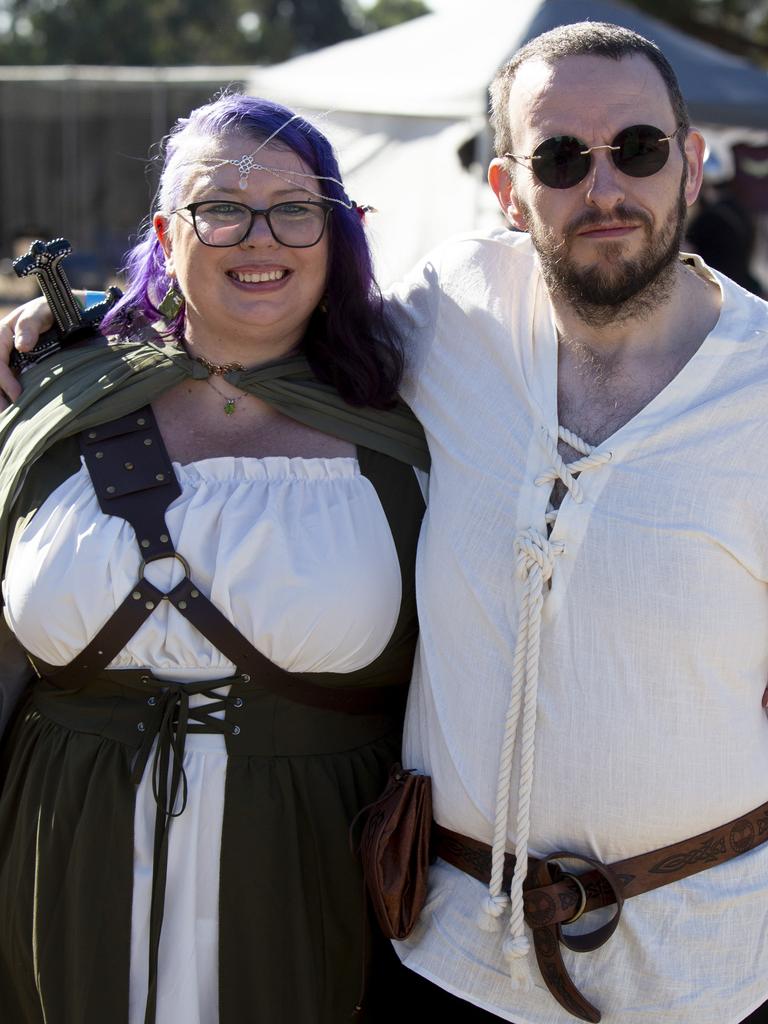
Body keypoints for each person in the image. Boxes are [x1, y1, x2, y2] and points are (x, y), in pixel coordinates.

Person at [6, 21, 768, 1024]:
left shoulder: (754, 385)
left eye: (637, 149)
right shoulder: (450, 316)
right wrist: (81, 329)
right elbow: (243, 305)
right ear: (505, 189)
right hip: (446, 954)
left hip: (705, 957)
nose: (603, 188)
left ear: (692, 161)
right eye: (558, 158)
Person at [0, 93, 428, 1024]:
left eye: (294, 207)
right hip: (61, 854)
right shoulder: (54, 395)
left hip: (310, 869)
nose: (257, 235)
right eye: (220, 206)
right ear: (166, 228)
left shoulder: (424, 409)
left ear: (337, 231)